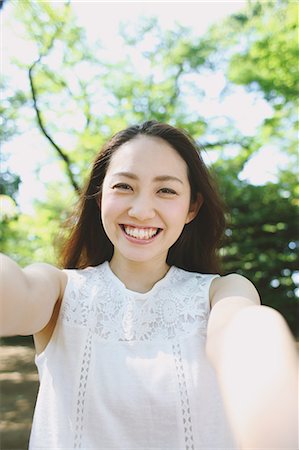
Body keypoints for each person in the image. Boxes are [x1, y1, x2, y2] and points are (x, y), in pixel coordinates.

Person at [0, 120, 297, 449]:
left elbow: (246, 332)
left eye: (166, 190)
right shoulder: (59, 289)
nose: (141, 210)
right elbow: (17, 293)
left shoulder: (221, 293)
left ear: (191, 207)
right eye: (124, 186)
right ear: (100, 198)